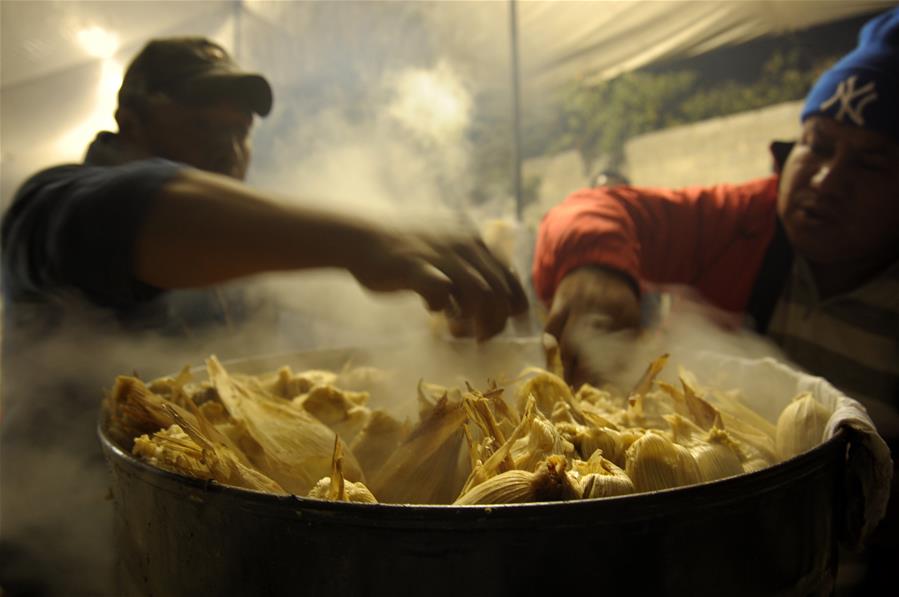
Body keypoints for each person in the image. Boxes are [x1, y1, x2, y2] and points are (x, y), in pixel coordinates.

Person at [0, 37, 526, 596]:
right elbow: (128, 212)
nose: (229, 150)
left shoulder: (239, 261)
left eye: (240, 132)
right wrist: (369, 240)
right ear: (130, 122)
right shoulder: (50, 201)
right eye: (204, 127)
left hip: (210, 561)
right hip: (74, 560)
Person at [533, 7, 898, 594]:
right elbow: (593, 207)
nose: (827, 180)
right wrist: (597, 267)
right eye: (817, 145)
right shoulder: (746, 220)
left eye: (872, 162)